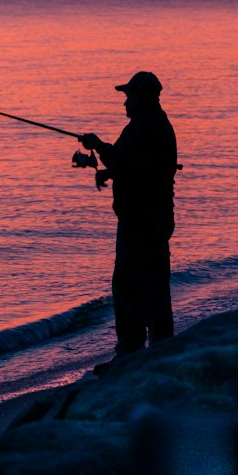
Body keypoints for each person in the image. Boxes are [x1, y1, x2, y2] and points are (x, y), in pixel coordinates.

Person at [79, 71, 177, 372]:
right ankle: (158, 351)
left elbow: (126, 161)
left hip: (142, 221)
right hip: (152, 217)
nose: (125, 102)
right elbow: (142, 169)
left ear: (143, 98)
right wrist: (110, 172)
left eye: (129, 96)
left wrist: (97, 145)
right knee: (152, 285)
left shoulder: (145, 127)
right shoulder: (151, 125)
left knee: (129, 285)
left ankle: (132, 355)